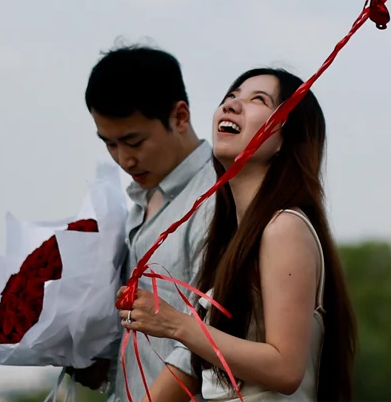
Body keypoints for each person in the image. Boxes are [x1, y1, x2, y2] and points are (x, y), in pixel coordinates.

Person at [122, 68, 357, 402]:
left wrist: (178, 325)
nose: (231, 106)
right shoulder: (231, 237)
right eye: (231, 97)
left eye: (257, 100)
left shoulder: (284, 227)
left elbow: (286, 369)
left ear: (284, 138)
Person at [76, 43, 219, 402]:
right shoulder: (142, 201)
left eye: (133, 141)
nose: (124, 158)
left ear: (180, 117)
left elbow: (210, 337)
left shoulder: (217, 199)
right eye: (109, 143)